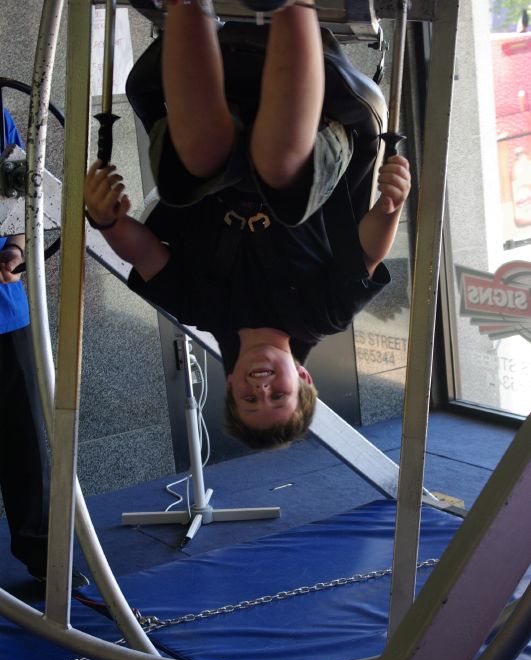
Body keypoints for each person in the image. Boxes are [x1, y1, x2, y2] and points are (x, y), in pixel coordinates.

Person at [84, 0, 411, 449]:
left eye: (248, 398)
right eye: (278, 395)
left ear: (232, 380)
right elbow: (368, 253)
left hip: (209, 127)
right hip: (320, 129)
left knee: (195, 168)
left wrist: (105, 220)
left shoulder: (196, 306)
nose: (261, 388)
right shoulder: (323, 315)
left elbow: (142, 253)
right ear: (302, 376)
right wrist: (391, 204)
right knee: (281, 176)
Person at [0, 107, 89, 587]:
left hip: (5, 313)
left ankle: (42, 555)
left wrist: (15, 248)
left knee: (23, 443)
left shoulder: (0, 119)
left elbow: (19, 204)